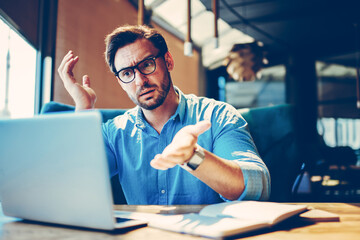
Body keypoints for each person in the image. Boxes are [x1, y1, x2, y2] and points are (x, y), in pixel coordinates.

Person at [58, 25, 270, 205]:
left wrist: (193, 157)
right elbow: (73, 183)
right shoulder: (114, 133)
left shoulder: (218, 115)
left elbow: (257, 187)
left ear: (168, 61)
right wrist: (83, 108)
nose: (140, 81)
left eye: (147, 64)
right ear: (120, 81)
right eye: (127, 73)